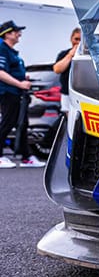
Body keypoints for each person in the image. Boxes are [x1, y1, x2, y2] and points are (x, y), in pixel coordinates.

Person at [0, 20, 45, 168]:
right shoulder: (2, 48)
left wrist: (22, 78)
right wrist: (19, 83)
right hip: (8, 92)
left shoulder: (11, 51)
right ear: (7, 34)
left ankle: (26, 157)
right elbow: (0, 72)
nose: (19, 34)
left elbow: (10, 70)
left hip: (17, 93)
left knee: (22, 124)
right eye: (16, 31)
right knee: (8, 122)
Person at [53, 27, 81, 113]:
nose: (78, 42)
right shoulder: (64, 54)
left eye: (81, 40)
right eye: (76, 39)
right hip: (67, 94)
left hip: (82, 95)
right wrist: (70, 55)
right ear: (71, 39)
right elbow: (57, 69)